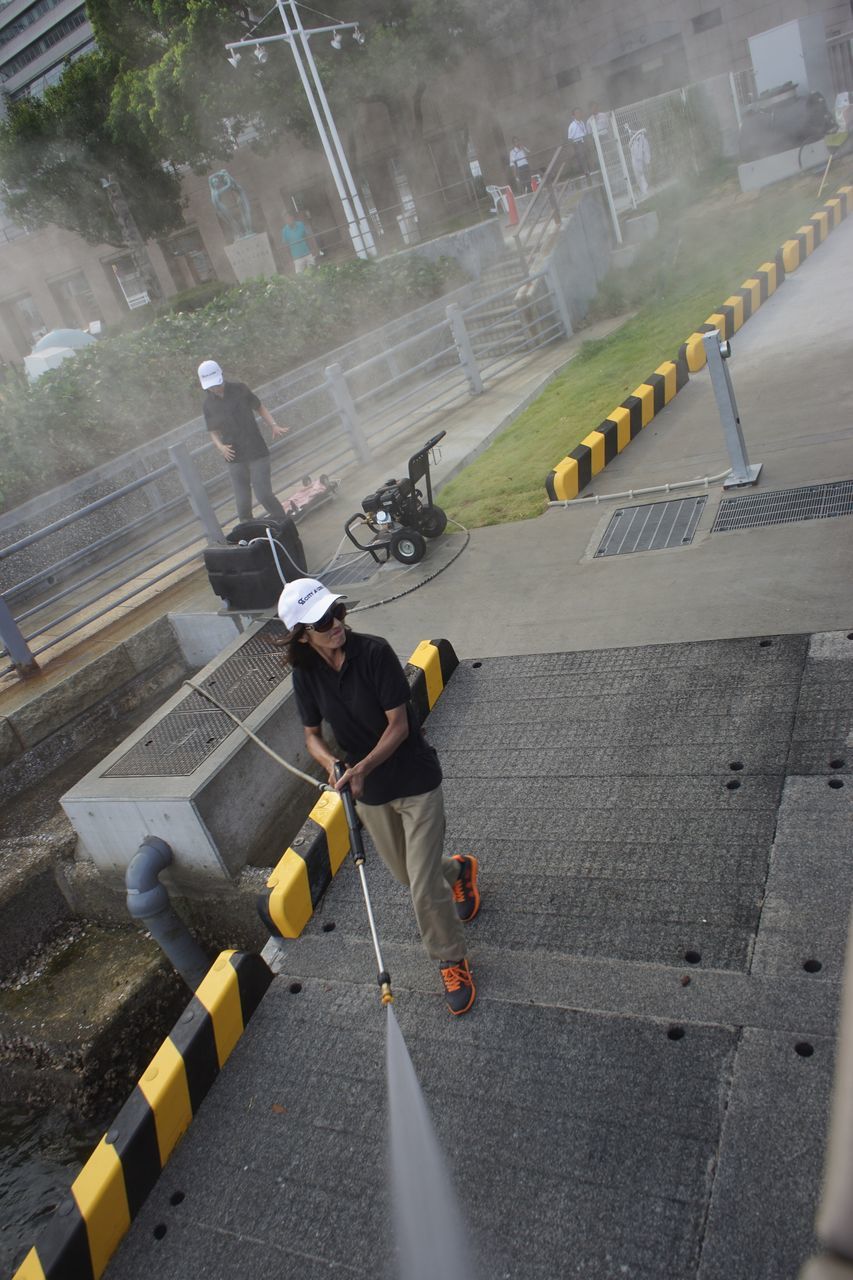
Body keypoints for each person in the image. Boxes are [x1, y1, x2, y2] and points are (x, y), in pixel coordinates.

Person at [279, 576, 480, 1016]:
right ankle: (460, 871)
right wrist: (332, 766)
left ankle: (450, 959)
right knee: (412, 876)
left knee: (422, 887)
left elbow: (399, 726)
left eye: (338, 611)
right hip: (369, 793)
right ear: (302, 634)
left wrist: (361, 768)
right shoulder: (306, 674)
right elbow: (311, 735)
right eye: (322, 620)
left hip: (413, 778)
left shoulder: (374, 652)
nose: (336, 622)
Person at [198, 360, 289, 524]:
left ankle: (283, 523)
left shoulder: (240, 389)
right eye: (211, 386)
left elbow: (259, 407)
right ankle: (249, 531)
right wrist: (221, 447)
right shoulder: (208, 404)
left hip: (256, 449)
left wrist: (273, 425)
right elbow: (213, 432)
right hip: (234, 455)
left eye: (217, 384)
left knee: (263, 494)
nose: (215, 388)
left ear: (221, 376)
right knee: (242, 503)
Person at [567, 107, 590, 176]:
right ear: (573, 116)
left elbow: (585, 132)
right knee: (581, 157)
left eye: (580, 112)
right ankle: (585, 171)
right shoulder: (571, 125)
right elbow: (570, 138)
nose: (579, 114)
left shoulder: (582, 122)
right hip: (578, 143)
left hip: (584, 141)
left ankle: (589, 169)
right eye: (577, 113)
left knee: (587, 155)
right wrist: (573, 147)